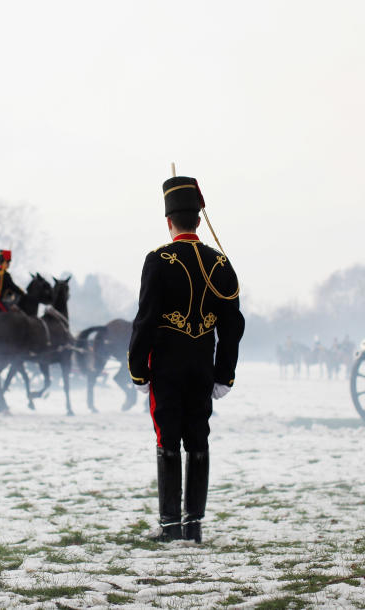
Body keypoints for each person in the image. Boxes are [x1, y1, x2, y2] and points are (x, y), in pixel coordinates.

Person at [128, 174, 244, 544]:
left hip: (165, 369)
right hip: (202, 369)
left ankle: (170, 527)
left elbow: (145, 320)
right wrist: (224, 374)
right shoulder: (220, 263)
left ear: (169, 220)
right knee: (198, 440)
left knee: (167, 440)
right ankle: (193, 528)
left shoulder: (158, 260)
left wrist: (137, 368)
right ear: (197, 218)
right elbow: (232, 324)